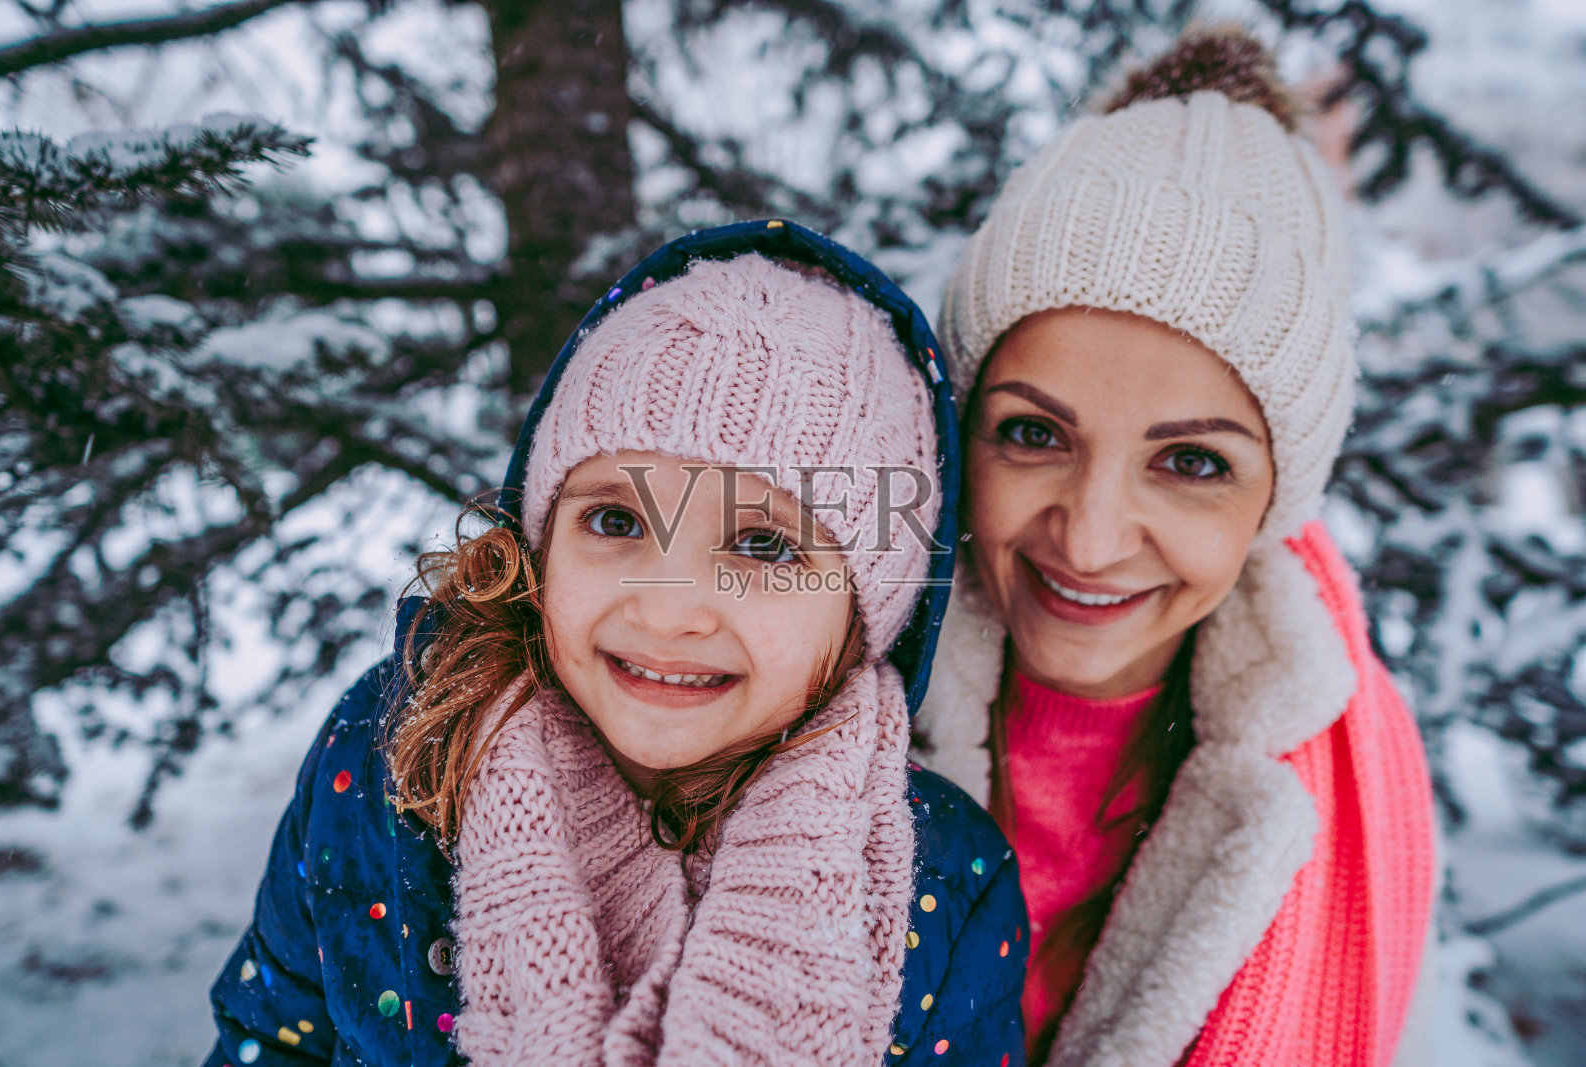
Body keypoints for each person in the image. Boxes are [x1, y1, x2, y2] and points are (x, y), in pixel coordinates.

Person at [204, 221, 1028, 1067]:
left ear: (870, 613)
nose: (668, 612)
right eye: (615, 520)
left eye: (764, 545)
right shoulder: (395, 755)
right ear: (541, 542)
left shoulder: (944, 883)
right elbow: (273, 1035)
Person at [911, 29, 1438, 1067]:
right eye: (1031, 432)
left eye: (1192, 462)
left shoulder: (1356, 793)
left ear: (1278, 499)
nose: (1092, 536)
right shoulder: (806, 685)